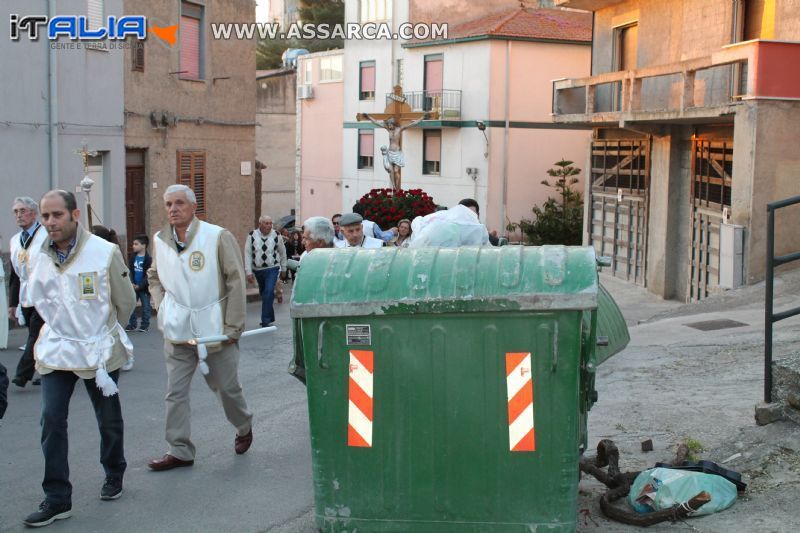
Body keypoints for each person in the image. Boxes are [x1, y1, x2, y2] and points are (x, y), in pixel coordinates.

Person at [23, 190, 135, 527]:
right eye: (45, 216)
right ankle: (57, 498)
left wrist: (104, 332)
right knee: (51, 420)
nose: (50, 222)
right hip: (58, 348)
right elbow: (38, 299)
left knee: (108, 419)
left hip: (97, 348)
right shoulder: (37, 255)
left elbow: (125, 301)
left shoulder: (104, 252)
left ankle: (114, 470)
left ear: (75, 216)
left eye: (56, 215)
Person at [147, 184, 253, 472]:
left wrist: (234, 326)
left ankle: (243, 425)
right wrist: (161, 305)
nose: (173, 209)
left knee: (226, 389)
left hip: (215, 330)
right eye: (168, 204)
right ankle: (179, 448)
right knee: (175, 392)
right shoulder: (159, 240)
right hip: (177, 331)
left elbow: (235, 280)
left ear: (194, 207)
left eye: (179, 203)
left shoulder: (217, 236)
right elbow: (154, 276)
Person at [289, 216, 336, 384]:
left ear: (321, 242)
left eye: (307, 238)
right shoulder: (305, 257)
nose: (303, 242)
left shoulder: (338, 259)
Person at [8, 196, 47, 387]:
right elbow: (15, 275)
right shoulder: (15, 240)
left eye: (22, 211)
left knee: (36, 333)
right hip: (25, 294)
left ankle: (22, 374)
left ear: (34, 213)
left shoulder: (46, 235)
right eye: (16, 211)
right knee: (39, 334)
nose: (18, 215)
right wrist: (12, 303)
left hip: (45, 293)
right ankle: (49, 368)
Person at [244, 215, 287, 327]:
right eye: (266, 223)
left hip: (272, 268)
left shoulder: (277, 235)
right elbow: (247, 253)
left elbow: (282, 252)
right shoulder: (252, 235)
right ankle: (270, 316)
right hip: (258, 270)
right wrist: (248, 271)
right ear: (260, 224)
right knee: (264, 293)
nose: (269, 226)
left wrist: (284, 268)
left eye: (270, 223)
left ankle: (265, 320)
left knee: (268, 291)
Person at [126, 235, 152, 334]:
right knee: (131, 305)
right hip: (134, 286)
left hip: (144, 288)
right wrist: (132, 283)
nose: (133, 246)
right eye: (133, 244)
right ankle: (132, 324)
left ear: (144, 245)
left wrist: (140, 285)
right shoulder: (133, 258)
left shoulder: (148, 259)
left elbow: (148, 275)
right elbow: (130, 271)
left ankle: (145, 325)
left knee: (146, 307)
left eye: (136, 244)